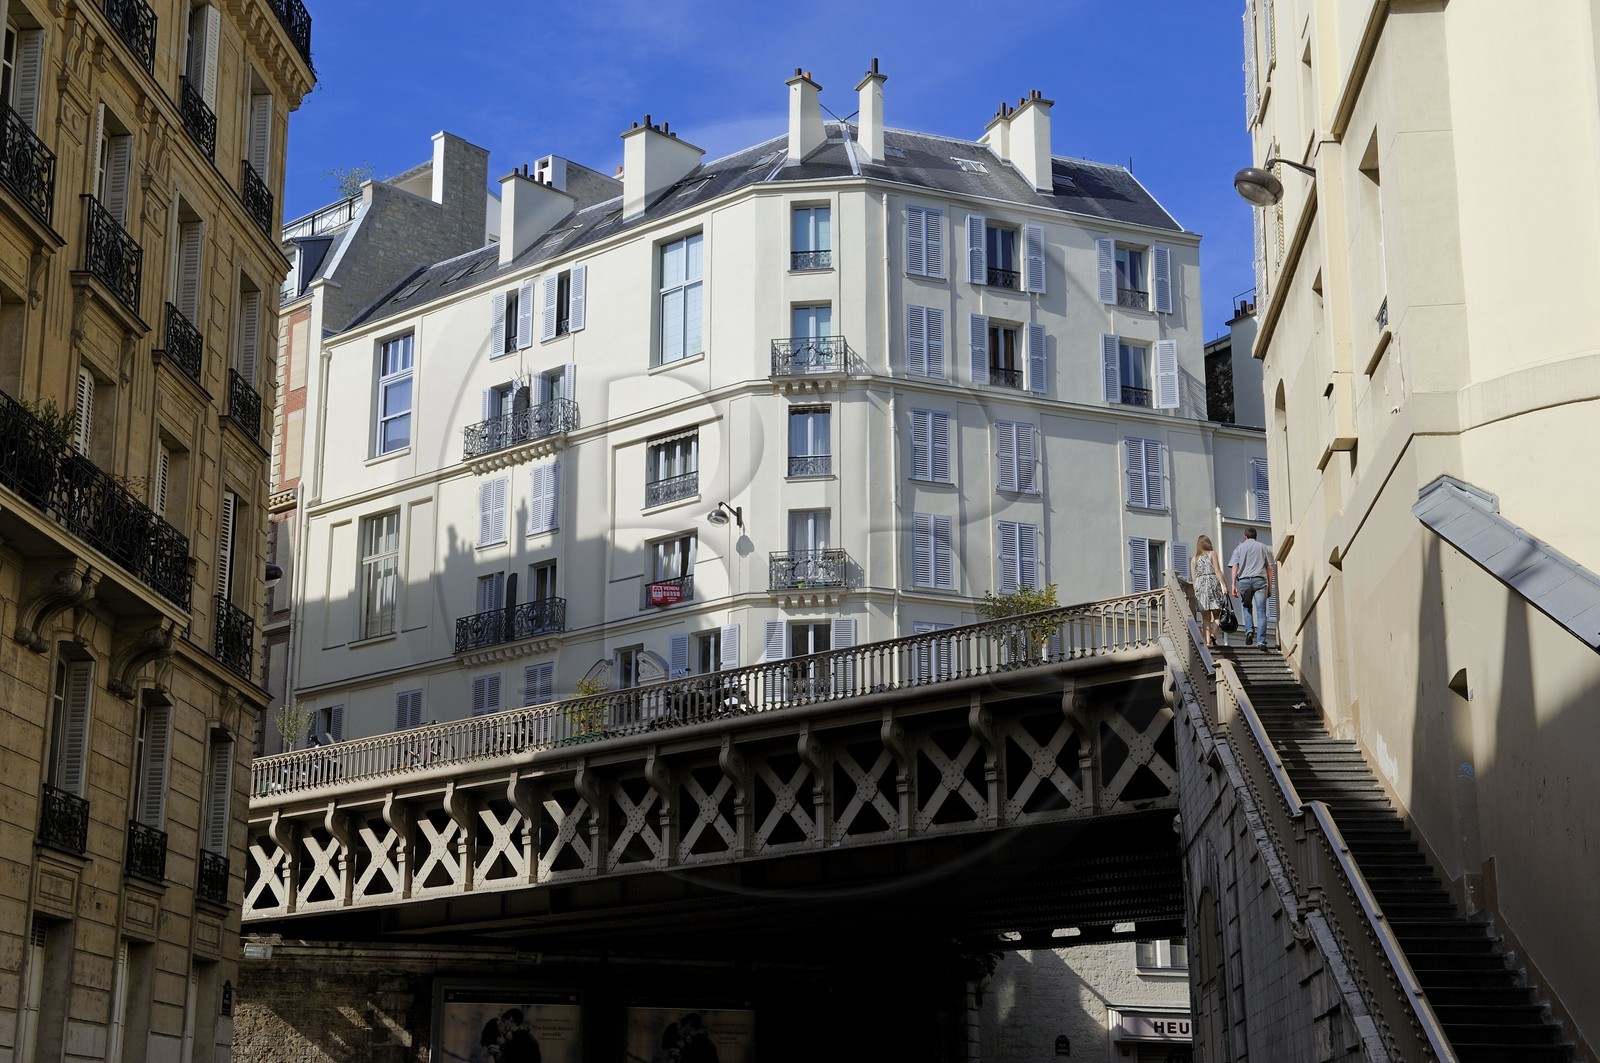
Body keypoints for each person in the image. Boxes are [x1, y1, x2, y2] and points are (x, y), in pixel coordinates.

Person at [1228, 527, 1275, 648]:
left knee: (1246, 607)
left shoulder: (1239, 548)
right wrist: (1270, 586)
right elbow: (1270, 568)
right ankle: (1261, 641)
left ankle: (1249, 630)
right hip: (1260, 580)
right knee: (1261, 612)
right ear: (1256, 537)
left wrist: (1233, 585)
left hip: (1244, 581)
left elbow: (1234, 567)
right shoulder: (1263, 547)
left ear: (1245, 537)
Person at [1190, 534, 1228, 647]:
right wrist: (1224, 585)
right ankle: (1213, 634)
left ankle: (1207, 642)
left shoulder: (1194, 559)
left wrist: (1196, 593)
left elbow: (1193, 579)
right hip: (1212, 585)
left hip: (1200, 587)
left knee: (1205, 617)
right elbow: (1217, 570)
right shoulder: (1212, 554)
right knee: (1217, 615)